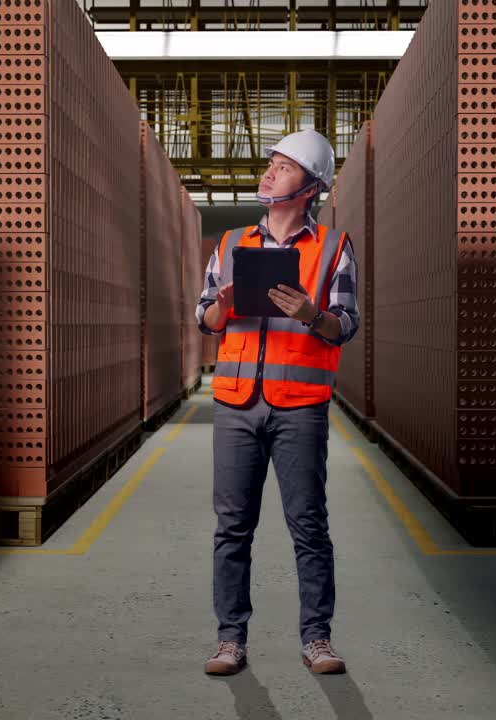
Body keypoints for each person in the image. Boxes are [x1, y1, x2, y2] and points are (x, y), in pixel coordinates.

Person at [193, 129, 361, 676]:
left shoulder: (334, 247)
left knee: (308, 525)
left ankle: (317, 639)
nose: (270, 172)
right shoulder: (230, 243)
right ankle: (229, 640)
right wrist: (221, 307)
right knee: (232, 527)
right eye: (271, 163)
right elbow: (203, 319)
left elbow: (346, 325)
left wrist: (311, 314)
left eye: (284, 167)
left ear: (310, 187)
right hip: (238, 402)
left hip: (300, 406)